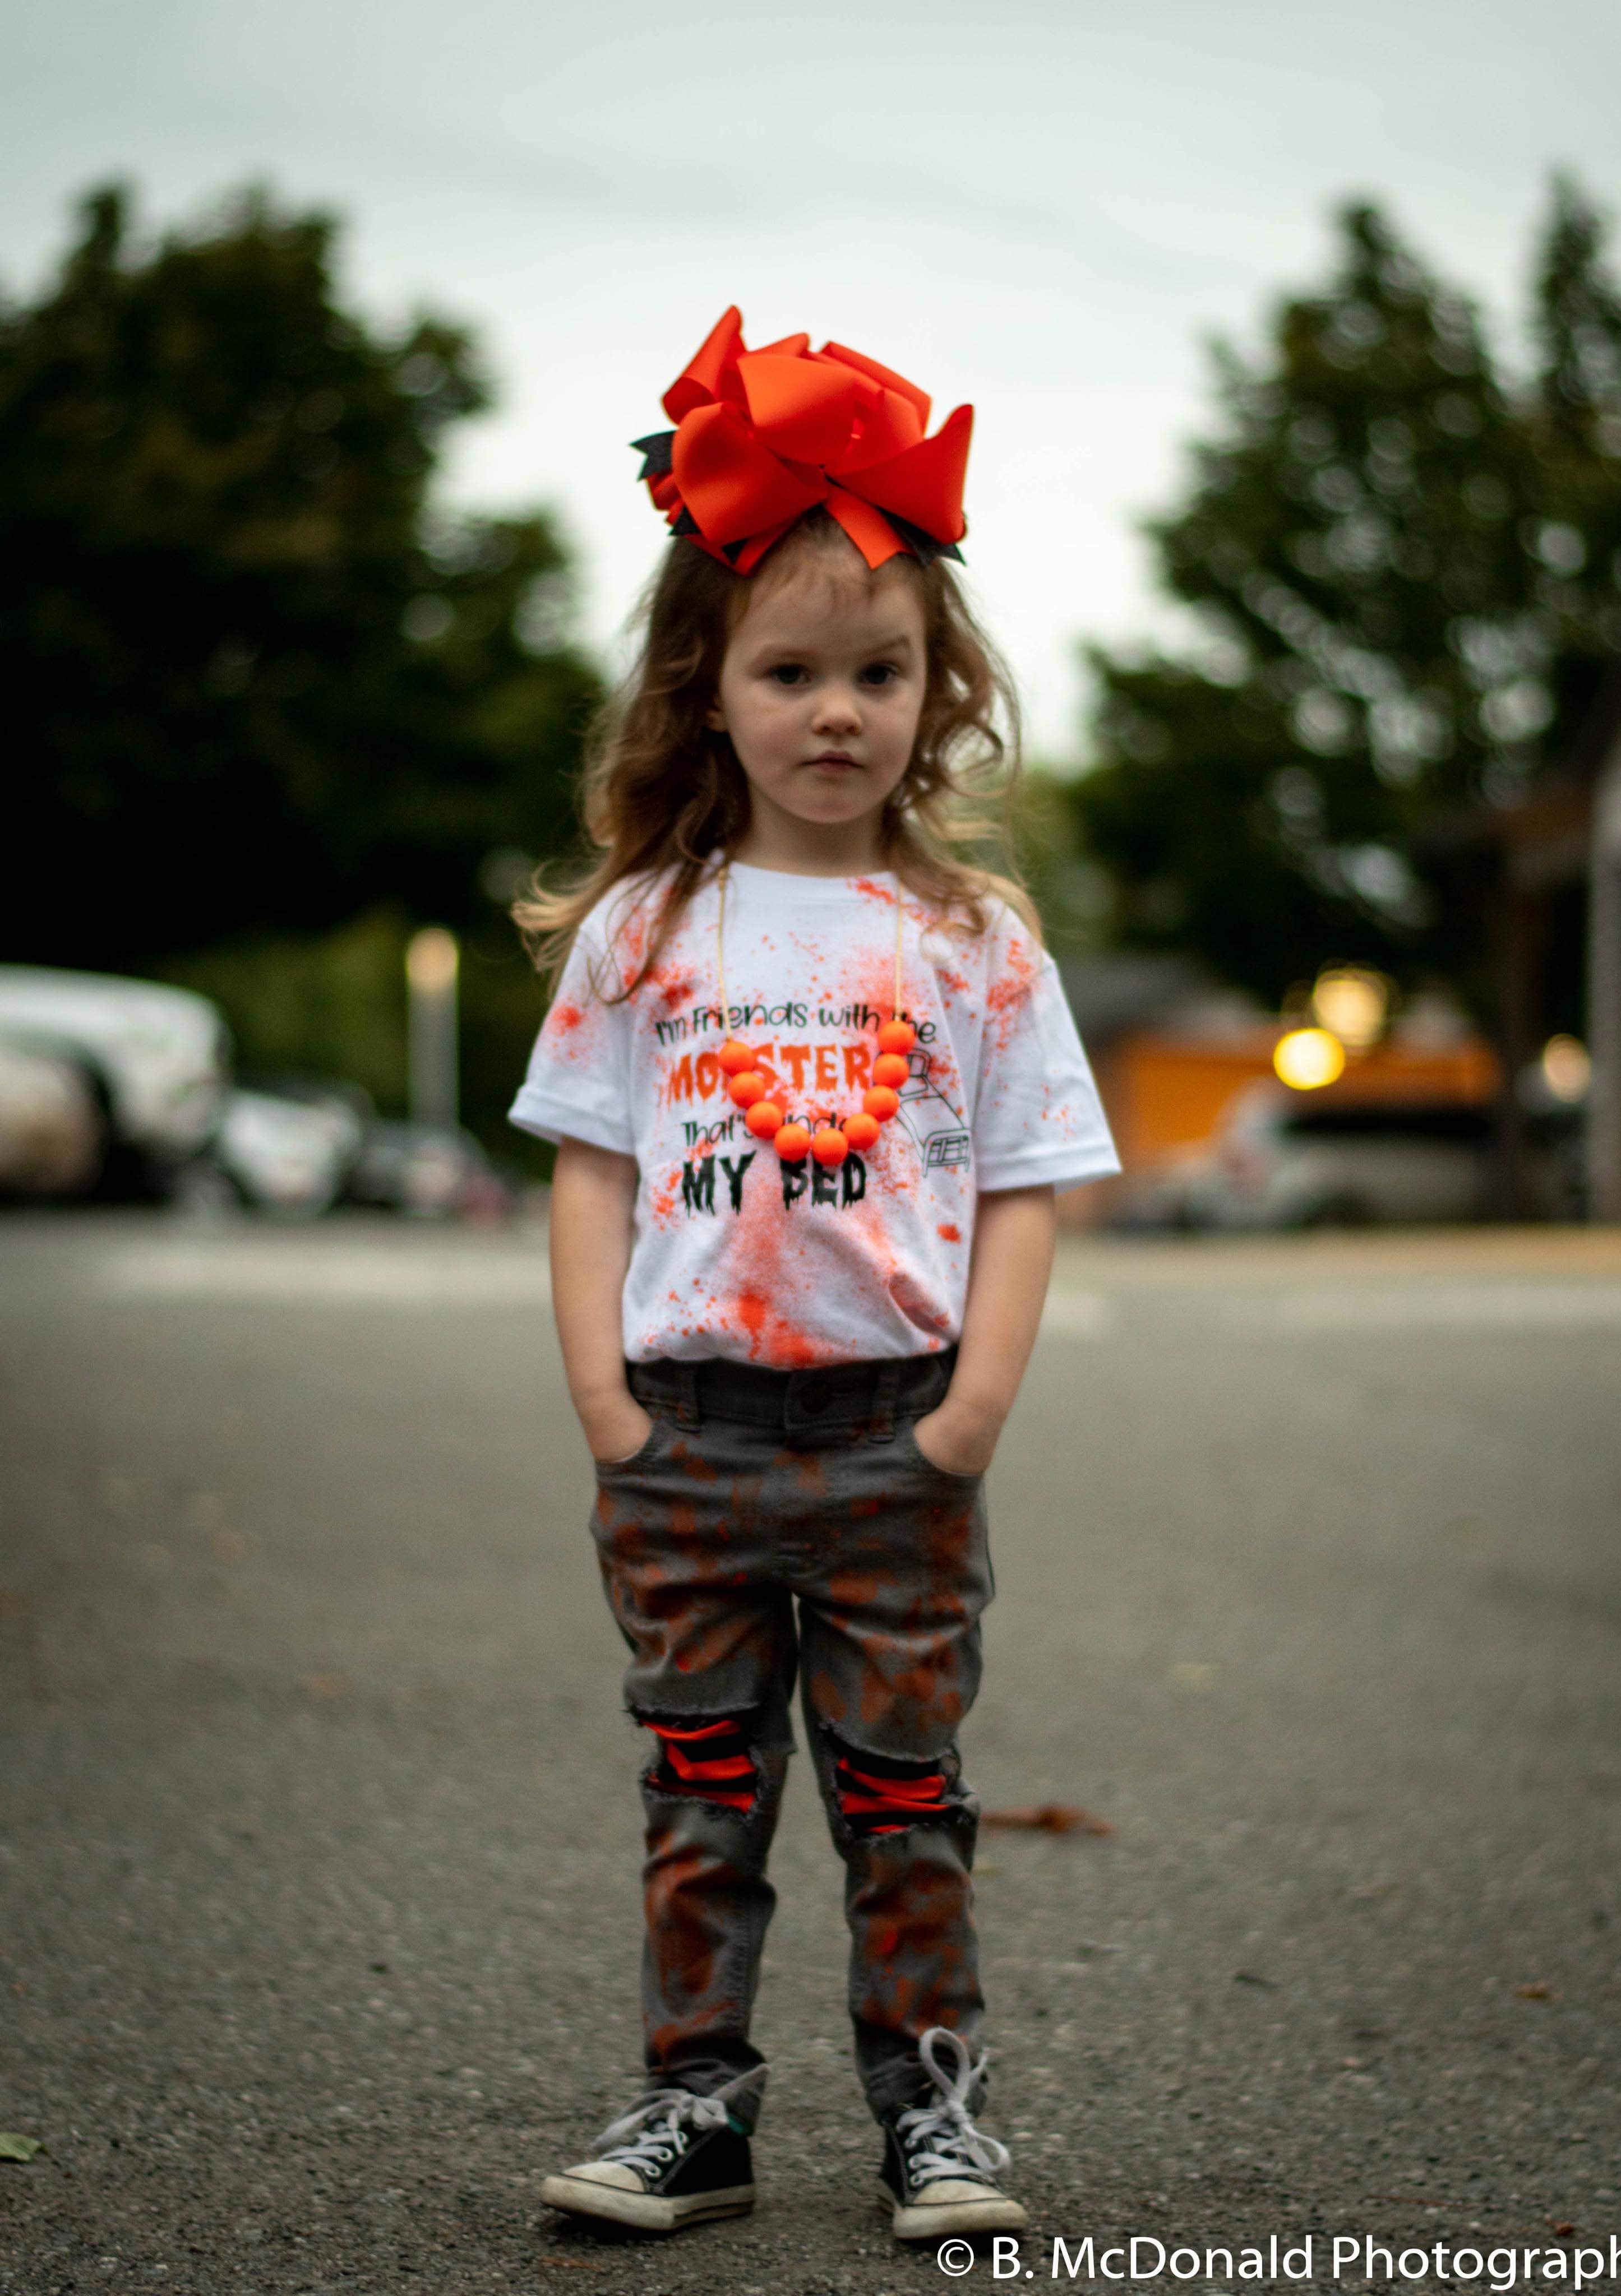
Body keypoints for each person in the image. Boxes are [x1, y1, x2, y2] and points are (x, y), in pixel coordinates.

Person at [509, 308, 1120, 2244]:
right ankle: (696, 2110)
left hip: (890, 1447)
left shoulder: (971, 939)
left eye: (879, 672)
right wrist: (608, 1399)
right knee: (703, 1806)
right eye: (790, 671)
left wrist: (970, 1415)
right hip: (685, 1441)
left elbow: (1025, 1184)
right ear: (710, 692)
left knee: (900, 1806)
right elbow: (594, 1171)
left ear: (937, 693)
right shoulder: (648, 927)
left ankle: (935, 2120)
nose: (835, 710)